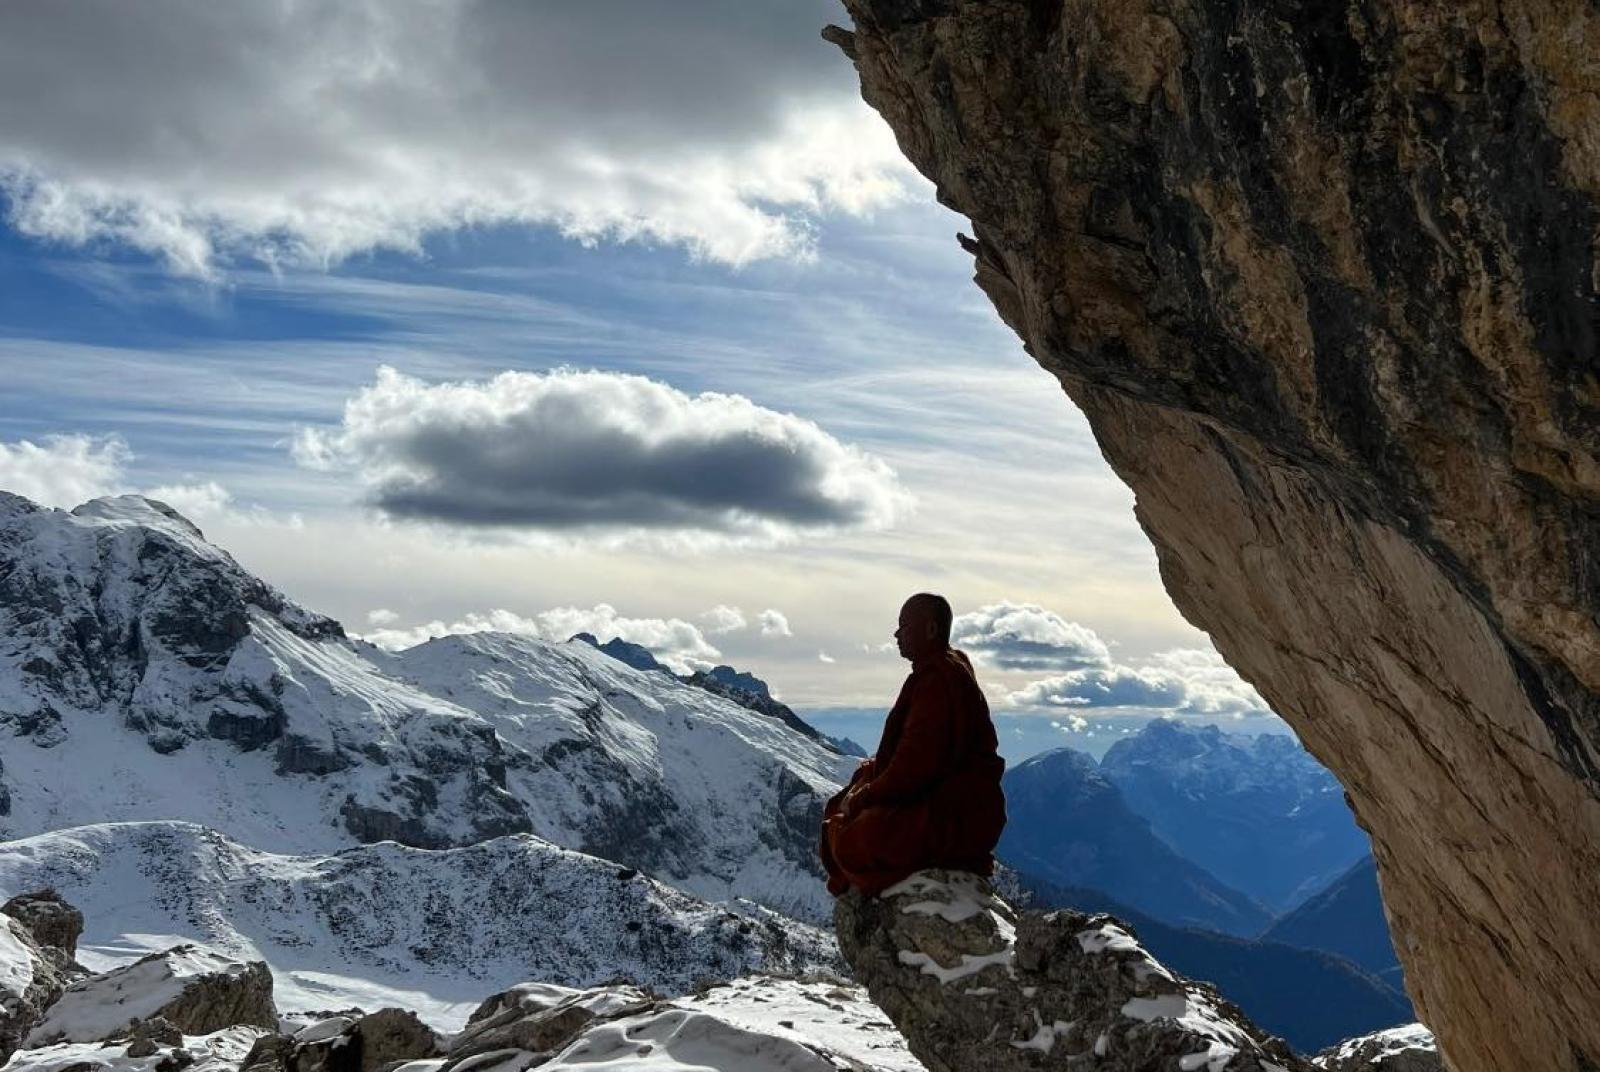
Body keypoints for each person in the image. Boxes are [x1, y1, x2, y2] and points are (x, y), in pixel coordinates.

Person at [819, 593, 1007, 896]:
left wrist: (865, 797)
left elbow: (914, 769)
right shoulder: (945, 667)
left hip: (955, 813)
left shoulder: (936, 681)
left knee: (862, 835)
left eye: (904, 626)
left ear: (930, 630)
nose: (896, 635)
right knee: (851, 792)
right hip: (950, 800)